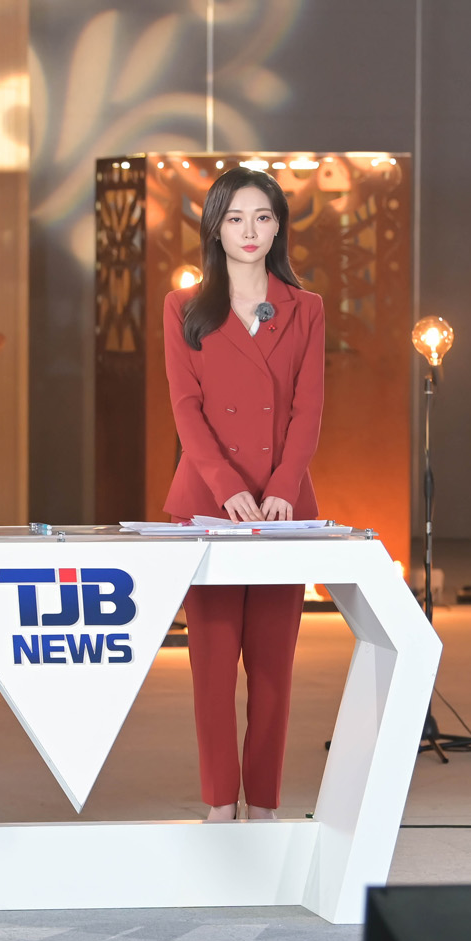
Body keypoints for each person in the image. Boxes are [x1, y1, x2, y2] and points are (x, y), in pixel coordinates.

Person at [161, 167, 325, 823]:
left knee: (274, 669)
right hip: (208, 505)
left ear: (279, 226)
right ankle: (218, 804)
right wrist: (226, 487)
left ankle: (263, 805)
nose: (249, 231)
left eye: (261, 217)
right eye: (234, 218)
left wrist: (283, 487)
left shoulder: (305, 308)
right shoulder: (184, 308)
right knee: (211, 667)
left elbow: (308, 411)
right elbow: (185, 408)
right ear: (215, 228)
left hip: (284, 510)